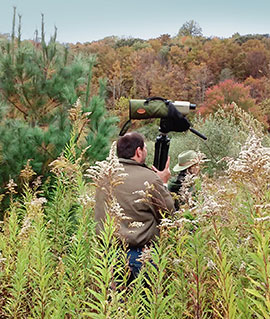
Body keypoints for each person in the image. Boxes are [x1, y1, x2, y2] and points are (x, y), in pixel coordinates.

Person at [95, 132, 175, 280]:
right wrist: (162, 182)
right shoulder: (150, 178)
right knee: (143, 301)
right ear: (138, 151)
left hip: (107, 256)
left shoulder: (103, 176)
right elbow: (168, 214)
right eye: (144, 148)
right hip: (140, 256)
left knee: (115, 301)